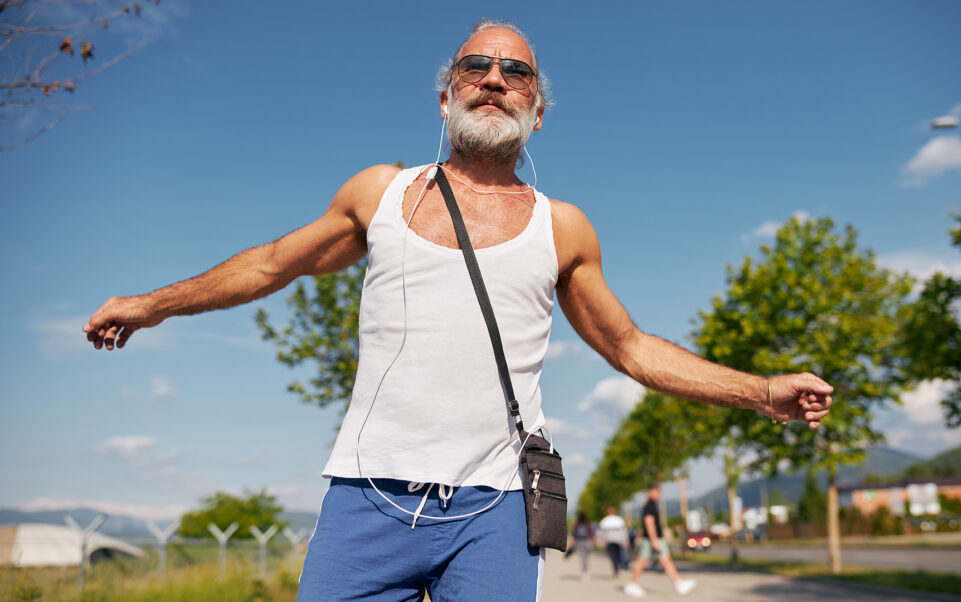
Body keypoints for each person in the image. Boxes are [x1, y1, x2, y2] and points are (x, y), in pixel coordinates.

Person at [82, 19, 833, 602]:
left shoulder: (562, 227)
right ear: (446, 98)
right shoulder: (379, 192)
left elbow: (630, 347)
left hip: (495, 511)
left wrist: (759, 391)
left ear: (536, 113)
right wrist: (153, 306)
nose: (495, 78)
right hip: (366, 499)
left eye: (517, 71)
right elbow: (273, 263)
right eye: (476, 65)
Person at [624, 485, 694, 597]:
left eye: (659, 492)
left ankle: (678, 583)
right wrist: (654, 540)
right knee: (643, 561)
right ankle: (632, 584)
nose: (658, 494)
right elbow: (649, 522)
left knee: (664, 560)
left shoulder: (651, 505)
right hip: (653, 539)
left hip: (652, 539)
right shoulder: (649, 506)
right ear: (650, 492)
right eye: (656, 491)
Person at [598, 506, 629, 576]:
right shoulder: (618, 520)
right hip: (615, 540)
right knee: (616, 555)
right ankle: (617, 568)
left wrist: (624, 540)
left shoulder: (605, 521)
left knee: (613, 555)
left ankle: (616, 568)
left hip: (612, 541)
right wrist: (625, 540)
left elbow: (601, 532)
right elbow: (624, 531)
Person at [569, 511, 595, 580]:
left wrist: (571, 543)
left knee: (582, 558)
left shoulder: (576, 524)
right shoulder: (588, 524)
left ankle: (584, 571)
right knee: (587, 558)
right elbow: (592, 533)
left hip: (579, 542)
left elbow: (574, 534)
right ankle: (586, 571)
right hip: (588, 542)